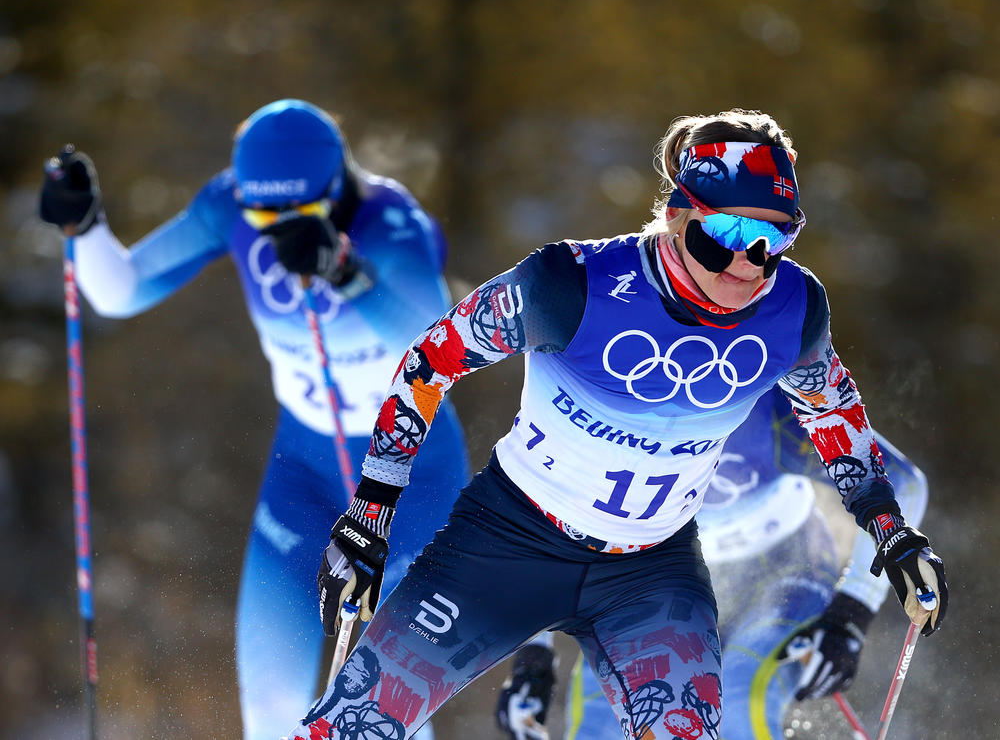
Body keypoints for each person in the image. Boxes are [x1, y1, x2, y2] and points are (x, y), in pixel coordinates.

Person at [284, 109, 948, 740]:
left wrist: (891, 537)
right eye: (722, 239)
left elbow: (833, 412)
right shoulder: (569, 285)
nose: (745, 266)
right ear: (676, 213)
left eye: (771, 240)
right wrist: (370, 516)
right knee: (353, 726)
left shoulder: (794, 311)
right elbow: (431, 362)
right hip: (510, 543)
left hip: (651, 570)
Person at [37, 99, 470, 740]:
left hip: (410, 474)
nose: (272, 229)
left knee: (387, 700)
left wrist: (346, 272)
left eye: (293, 214)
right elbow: (120, 290)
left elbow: (444, 341)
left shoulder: (391, 220)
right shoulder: (227, 204)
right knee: (269, 699)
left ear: (337, 186)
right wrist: (87, 227)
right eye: (260, 212)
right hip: (304, 468)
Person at [494, 385, 930, 740]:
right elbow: (543, 522)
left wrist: (848, 616)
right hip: (656, 580)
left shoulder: (767, 409)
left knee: (742, 700)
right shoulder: (600, 407)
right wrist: (533, 658)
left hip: (780, 571)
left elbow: (904, 484)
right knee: (601, 725)